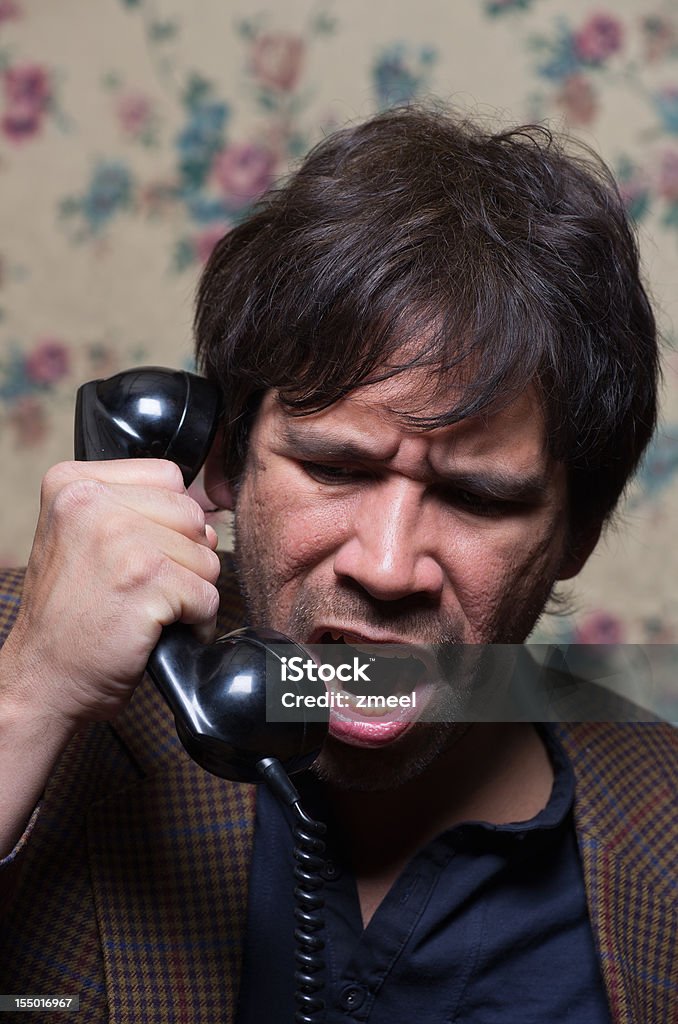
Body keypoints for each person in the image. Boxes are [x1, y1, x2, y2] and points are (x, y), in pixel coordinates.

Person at [0, 106, 675, 1023]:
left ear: (577, 533)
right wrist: (30, 697)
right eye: (335, 468)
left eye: (478, 498)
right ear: (227, 458)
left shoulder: (664, 823)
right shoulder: (26, 670)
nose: (390, 568)